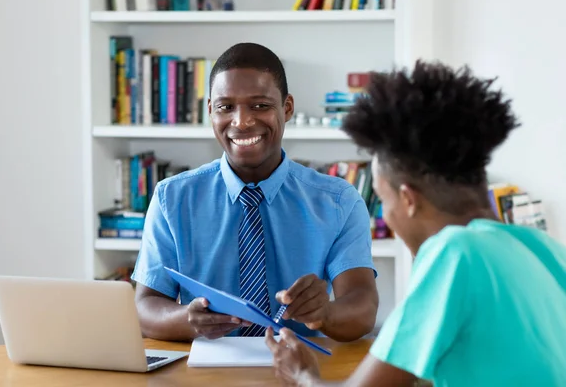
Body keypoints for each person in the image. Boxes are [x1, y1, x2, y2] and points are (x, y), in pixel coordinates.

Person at [266, 60, 566, 386]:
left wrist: (302, 375)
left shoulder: (456, 253)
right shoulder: (542, 247)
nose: (387, 216)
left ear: (408, 200)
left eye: (384, 200)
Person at [131, 42, 379, 343]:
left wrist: (324, 313)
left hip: (299, 369)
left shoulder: (339, 202)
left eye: (260, 106)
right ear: (210, 111)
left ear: (286, 108)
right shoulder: (172, 199)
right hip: (204, 373)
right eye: (225, 107)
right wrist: (188, 319)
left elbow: (363, 308)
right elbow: (144, 307)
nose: (242, 121)